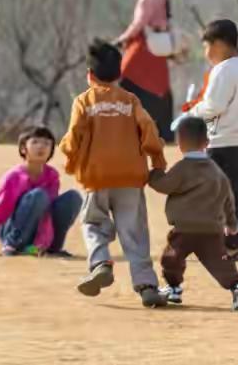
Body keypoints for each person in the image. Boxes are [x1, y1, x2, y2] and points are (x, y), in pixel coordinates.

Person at [60, 40, 169, 308]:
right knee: (134, 233)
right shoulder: (131, 101)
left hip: (96, 178)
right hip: (131, 178)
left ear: (89, 75)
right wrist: (158, 161)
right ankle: (146, 285)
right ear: (119, 75)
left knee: (93, 224)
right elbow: (150, 132)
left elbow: (73, 137)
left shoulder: (83, 101)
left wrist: (70, 159)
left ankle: (100, 263)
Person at [148, 117, 238, 311]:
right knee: (221, 263)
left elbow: (164, 186)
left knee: (171, 259)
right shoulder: (216, 171)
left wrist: (154, 174)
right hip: (212, 230)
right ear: (206, 143)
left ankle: (174, 288)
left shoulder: (182, 169)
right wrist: (232, 222)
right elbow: (228, 198)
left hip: (184, 230)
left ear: (179, 144)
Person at [181, 19, 238, 260]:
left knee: (222, 195)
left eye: (207, 46)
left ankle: (230, 244)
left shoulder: (223, 70)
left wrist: (191, 113)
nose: (206, 53)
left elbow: (214, 106)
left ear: (218, 45)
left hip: (222, 141)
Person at [0, 127, 83, 257]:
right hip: (12, 231)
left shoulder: (52, 176)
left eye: (46, 143)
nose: (41, 147)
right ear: (23, 149)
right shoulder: (13, 177)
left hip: (36, 240)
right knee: (38, 195)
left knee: (73, 198)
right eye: (35, 142)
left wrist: (42, 243)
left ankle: (49, 248)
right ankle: (13, 246)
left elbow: (48, 214)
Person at [117, 0, 185, 142]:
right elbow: (139, 23)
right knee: (155, 95)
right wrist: (123, 39)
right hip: (143, 54)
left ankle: (159, 135)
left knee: (160, 95)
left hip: (153, 54)